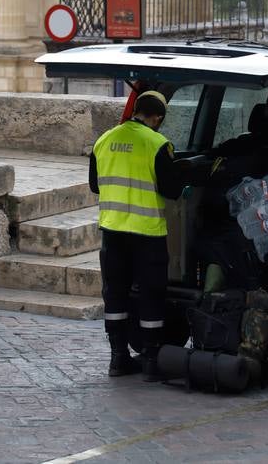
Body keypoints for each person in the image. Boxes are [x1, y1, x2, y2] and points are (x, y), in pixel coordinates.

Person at [89, 90, 185, 380]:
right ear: (157, 117)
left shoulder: (104, 140)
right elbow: (172, 190)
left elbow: (95, 185)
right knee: (151, 295)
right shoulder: (157, 144)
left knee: (115, 294)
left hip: (113, 232)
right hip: (147, 234)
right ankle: (152, 362)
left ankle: (118, 358)